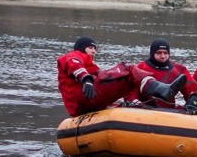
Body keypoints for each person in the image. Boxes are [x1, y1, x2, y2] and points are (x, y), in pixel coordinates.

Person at [57, 36, 185, 117]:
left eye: (94, 48)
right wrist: (86, 79)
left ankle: (143, 99)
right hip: (86, 98)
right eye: (90, 47)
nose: (94, 51)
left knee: (125, 81)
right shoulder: (74, 56)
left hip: (81, 107)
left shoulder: (91, 67)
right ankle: (162, 89)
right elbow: (74, 64)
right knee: (128, 70)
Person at [128, 38, 197, 111]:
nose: (162, 56)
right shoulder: (141, 68)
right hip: (146, 109)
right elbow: (131, 91)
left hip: (169, 111)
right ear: (152, 54)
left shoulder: (178, 69)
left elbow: (191, 87)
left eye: (165, 53)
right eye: (159, 53)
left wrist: (193, 99)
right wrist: (136, 102)